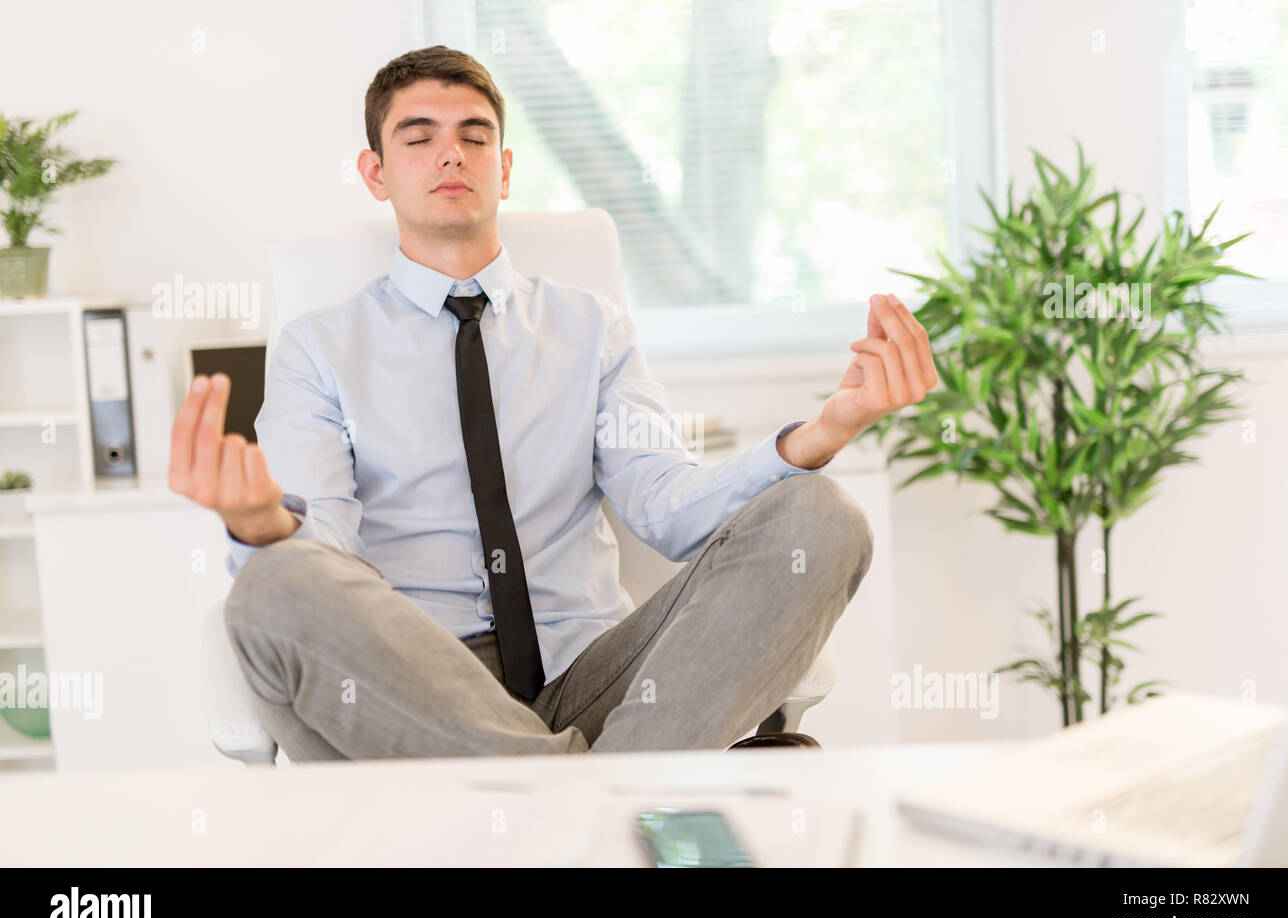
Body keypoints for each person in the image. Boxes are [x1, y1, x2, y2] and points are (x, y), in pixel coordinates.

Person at [169, 46, 938, 761]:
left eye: (475, 136)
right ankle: (607, 791)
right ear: (376, 172)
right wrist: (261, 521)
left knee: (824, 514)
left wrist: (824, 430)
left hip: (592, 678)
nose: (451, 153)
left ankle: (561, 791)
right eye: (419, 136)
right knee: (274, 584)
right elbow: (323, 540)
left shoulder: (592, 327)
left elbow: (668, 506)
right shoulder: (318, 347)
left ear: (503, 170)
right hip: (413, 687)